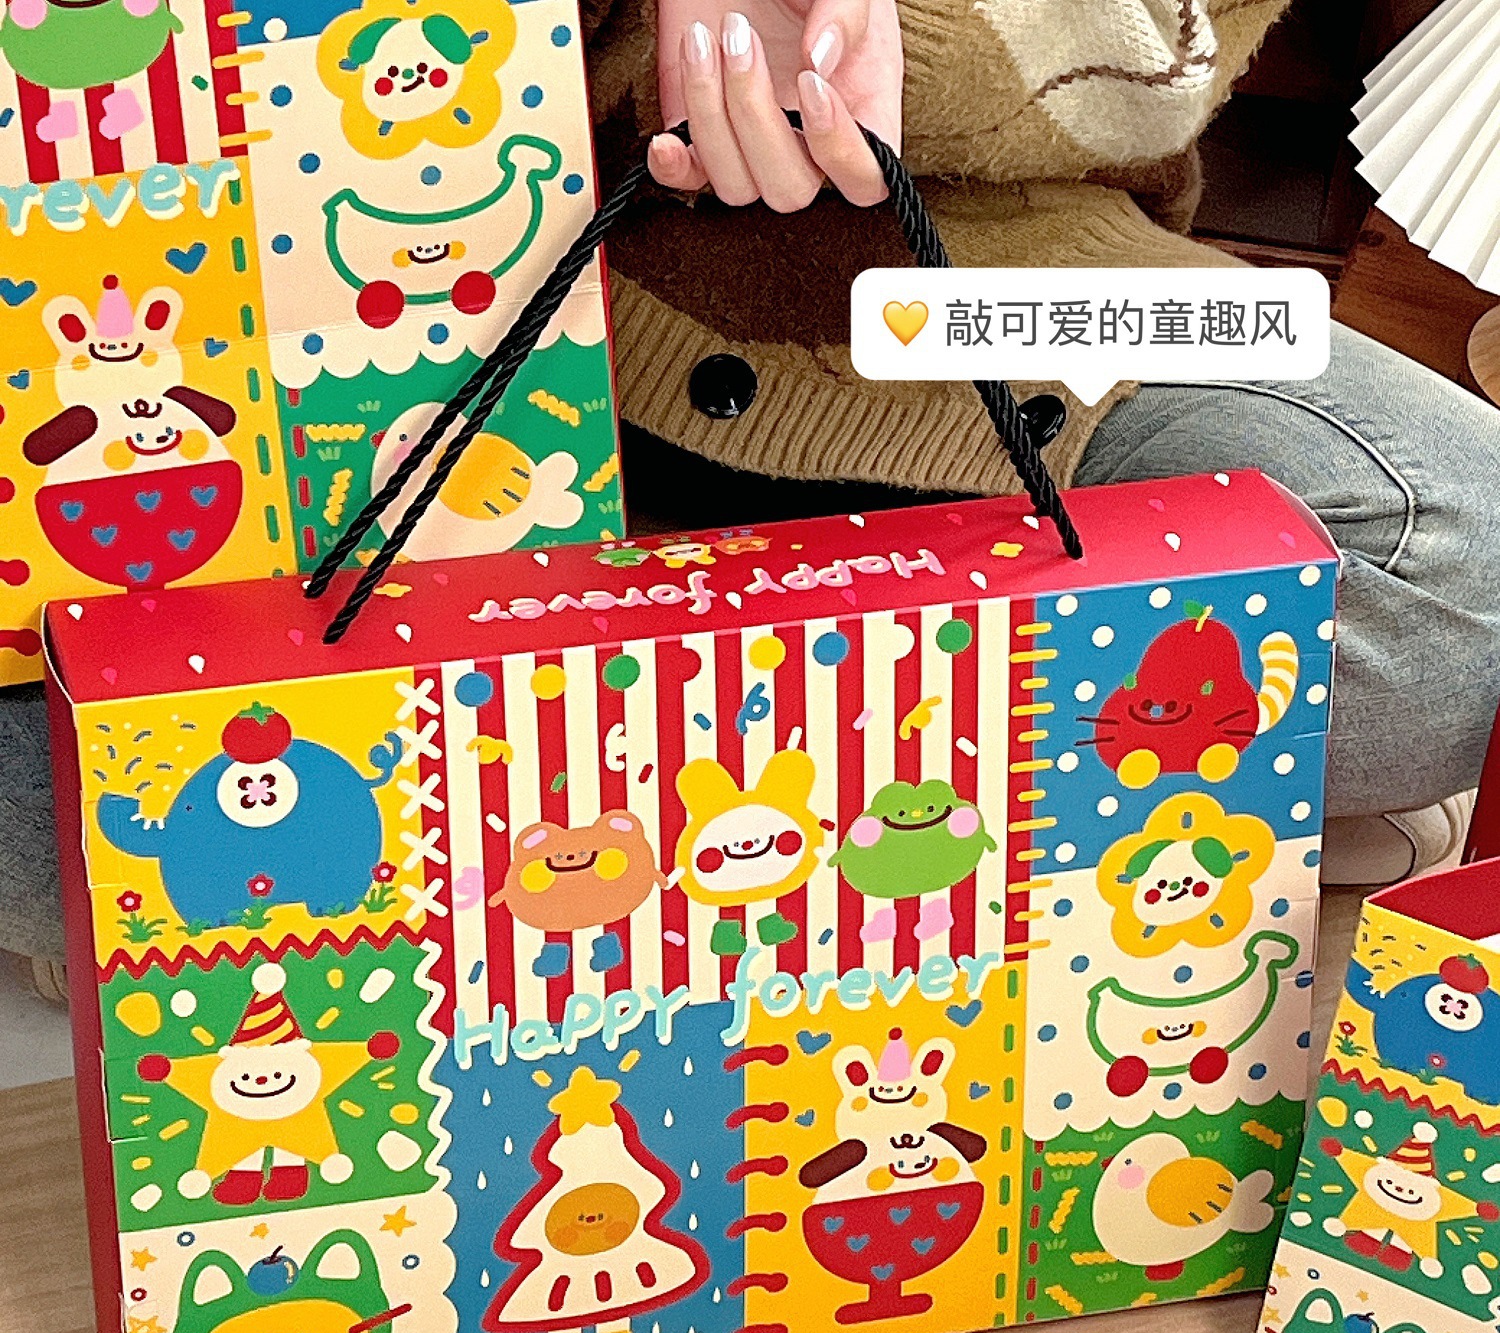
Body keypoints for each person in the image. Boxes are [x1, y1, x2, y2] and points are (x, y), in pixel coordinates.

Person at [0, 0, 1487, 980]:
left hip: (982, 280)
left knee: (1452, 563)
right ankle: (1077, 815)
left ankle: (490, 863)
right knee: (71, 746)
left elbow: (1163, 55)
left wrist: (856, 31)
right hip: (416, 301)